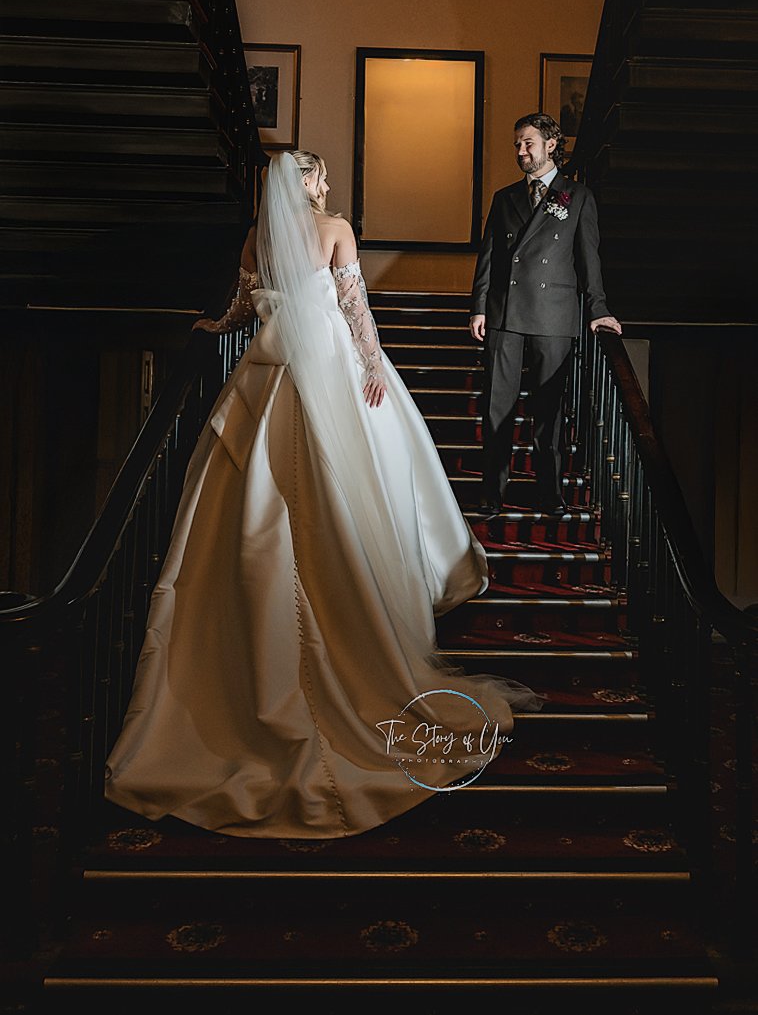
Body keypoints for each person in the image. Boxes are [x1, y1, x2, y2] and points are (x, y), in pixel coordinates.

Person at [104, 150, 544, 839]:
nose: (326, 184)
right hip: (327, 370)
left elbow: (243, 305)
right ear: (304, 182)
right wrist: (373, 365)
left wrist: (213, 330)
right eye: (319, 175)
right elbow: (354, 305)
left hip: (268, 376)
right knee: (342, 493)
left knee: (254, 503)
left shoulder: (258, 237)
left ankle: (241, 658)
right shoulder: (334, 226)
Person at [470, 113, 621, 516]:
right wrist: (479, 307)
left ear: (551, 144)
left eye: (528, 143)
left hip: (553, 317)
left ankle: (550, 494)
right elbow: (489, 258)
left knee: (548, 413)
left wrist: (598, 310)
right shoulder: (505, 198)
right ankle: (492, 492)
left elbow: (590, 260)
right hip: (504, 314)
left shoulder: (578, 196)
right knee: (496, 408)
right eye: (518, 144)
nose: (521, 151)